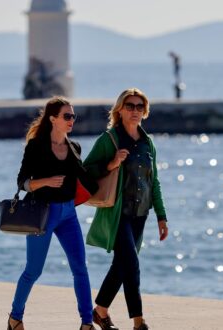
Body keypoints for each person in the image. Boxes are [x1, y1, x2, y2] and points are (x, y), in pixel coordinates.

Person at [8, 96, 99, 330]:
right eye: (66, 116)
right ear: (53, 119)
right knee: (33, 270)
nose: (71, 120)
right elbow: (22, 183)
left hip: (68, 214)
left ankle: (87, 322)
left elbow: (87, 178)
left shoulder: (74, 147)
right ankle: (15, 317)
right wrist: (45, 181)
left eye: (73, 116)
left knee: (80, 268)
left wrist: (112, 165)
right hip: (42, 214)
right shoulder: (36, 147)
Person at [83, 88, 169, 330]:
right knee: (131, 264)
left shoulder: (147, 143)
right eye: (129, 106)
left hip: (141, 215)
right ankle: (139, 322)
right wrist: (111, 163)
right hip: (117, 214)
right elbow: (86, 171)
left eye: (139, 106)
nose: (134, 111)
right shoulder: (109, 140)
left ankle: (99, 311)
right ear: (119, 110)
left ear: (145, 111)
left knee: (121, 266)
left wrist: (161, 216)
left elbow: (154, 182)